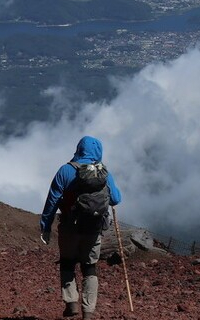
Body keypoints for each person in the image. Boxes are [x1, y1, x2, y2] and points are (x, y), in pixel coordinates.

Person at [40, 136, 123, 320]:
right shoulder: (103, 174)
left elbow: (52, 201)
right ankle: (88, 311)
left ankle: (71, 304)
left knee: (68, 263)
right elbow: (116, 199)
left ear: (79, 148)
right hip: (93, 229)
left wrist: (45, 226)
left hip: (69, 226)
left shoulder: (66, 171)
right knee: (89, 267)